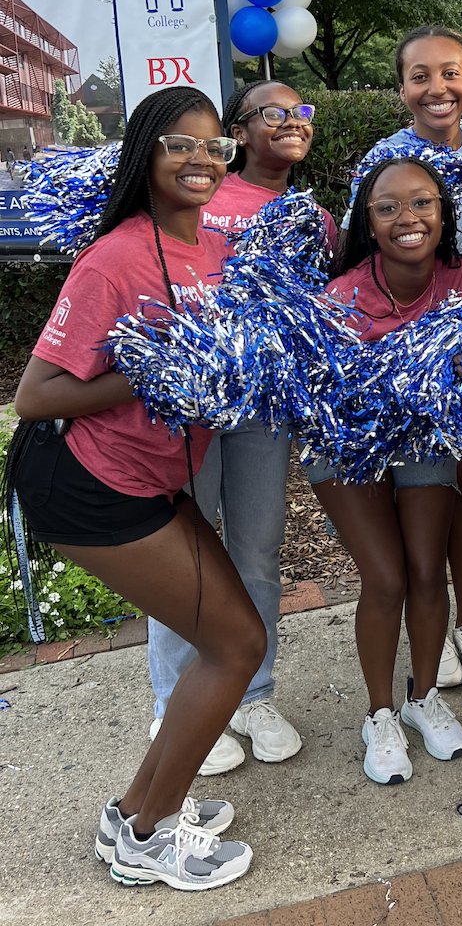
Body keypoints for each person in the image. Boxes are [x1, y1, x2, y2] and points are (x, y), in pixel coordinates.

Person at [3, 86, 263, 889]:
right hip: (87, 484)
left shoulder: (211, 250)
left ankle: (138, 810)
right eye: (179, 145)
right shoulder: (117, 255)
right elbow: (35, 396)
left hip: (152, 479)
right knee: (236, 645)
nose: (199, 159)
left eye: (213, 146)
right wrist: (148, 374)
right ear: (145, 155)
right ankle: (149, 836)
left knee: (229, 640)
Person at [146, 80, 337, 774]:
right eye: (273, 114)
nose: (291, 123)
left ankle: (253, 693)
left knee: (256, 551)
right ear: (240, 131)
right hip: (191, 406)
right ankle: (174, 700)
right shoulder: (200, 197)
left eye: (301, 112)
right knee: (184, 557)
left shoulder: (314, 218)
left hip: (264, 410)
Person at [307, 155, 462, 785]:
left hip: (425, 437)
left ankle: (423, 697)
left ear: (444, 211)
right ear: (368, 220)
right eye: (387, 207)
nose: (407, 219)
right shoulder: (342, 296)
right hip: (347, 444)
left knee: (426, 570)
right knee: (385, 578)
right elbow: (322, 401)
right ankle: (378, 713)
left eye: (422, 203)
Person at [352, 26, 462, 690]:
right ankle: (428, 617)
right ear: (402, 91)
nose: (436, 87)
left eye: (450, 73)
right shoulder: (382, 159)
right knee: (405, 488)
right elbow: (362, 251)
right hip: (395, 346)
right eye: (420, 75)